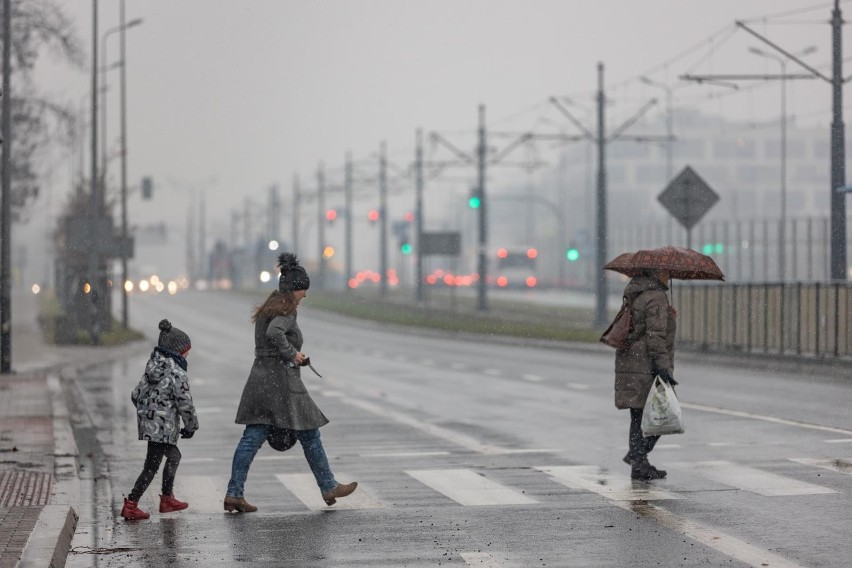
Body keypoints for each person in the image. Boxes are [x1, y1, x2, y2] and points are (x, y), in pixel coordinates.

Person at [224, 252, 357, 513]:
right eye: (303, 290)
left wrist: (291, 355)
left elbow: (270, 337)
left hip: (261, 378)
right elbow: (275, 332)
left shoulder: (272, 305)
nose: (305, 295)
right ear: (294, 290)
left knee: (252, 437)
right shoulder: (286, 310)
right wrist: (291, 354)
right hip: (281, 383)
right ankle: (328, 486)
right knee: (309, 433)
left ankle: (234, 493)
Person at [121, 319, 199, 520]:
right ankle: (164, 499)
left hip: (151, 425)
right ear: (177, 351)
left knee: (151, 466)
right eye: (186, 350)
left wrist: (149, 414)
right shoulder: (176, 372)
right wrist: (191, 426)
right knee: (171, 458)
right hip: (163, 428)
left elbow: (135, 395)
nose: (188, 353)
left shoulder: (152, 368)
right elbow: (185, 402)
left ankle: (136, 503)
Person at [614, 268, 676, 481]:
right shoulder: (656, 296)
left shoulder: (637, 294)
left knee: (639, 415)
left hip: (631, 359)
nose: (668, 276)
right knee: (662, 413)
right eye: (666, 273)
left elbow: (640, 326)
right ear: (658, 274)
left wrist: (668, 316)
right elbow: (655, 336)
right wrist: (663, 367)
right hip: (646, 364)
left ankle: (639, 462)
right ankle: (637, 457)